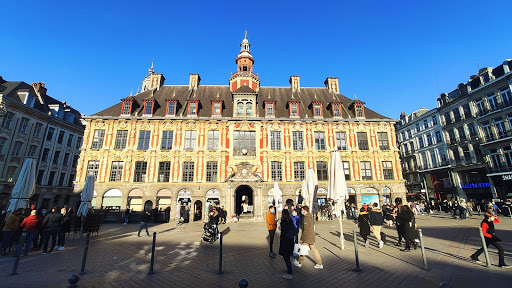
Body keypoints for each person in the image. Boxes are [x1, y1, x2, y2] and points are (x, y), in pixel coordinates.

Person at [279, 209, 296, 280]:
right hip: (290, 240)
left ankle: (289, 271)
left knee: (285, 256)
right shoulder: (290, 220)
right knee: (287, 255)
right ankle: (289, 268)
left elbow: (283, 232)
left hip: (285, 240)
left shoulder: (283, 221)